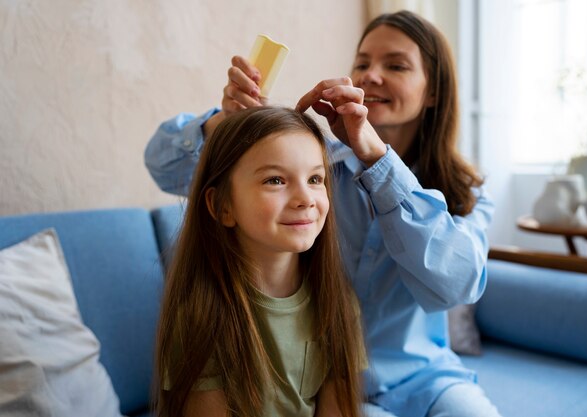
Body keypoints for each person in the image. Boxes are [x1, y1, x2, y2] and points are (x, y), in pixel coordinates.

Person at [146, 10, 499, 417]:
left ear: (434, 91)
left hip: (426, 378)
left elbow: (456, 287)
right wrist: (221, 124)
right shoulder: (317, 164)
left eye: (395, 65)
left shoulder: (467, 192)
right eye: (362, 63)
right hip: (325, 381)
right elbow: (162, 168)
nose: (372, 75)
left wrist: (378, 160)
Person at [154, 106, 365, 417]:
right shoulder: (200, 316)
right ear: (222, 205)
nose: (305, 198)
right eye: (276, 180)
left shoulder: (339, 304)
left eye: (315, 178)